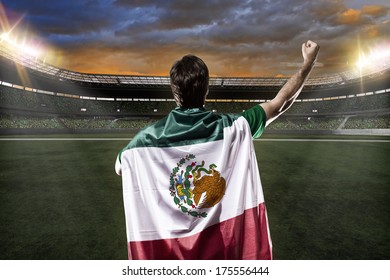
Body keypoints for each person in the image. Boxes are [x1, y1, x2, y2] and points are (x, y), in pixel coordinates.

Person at [115, 40, 320, 260]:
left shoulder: (142, 143)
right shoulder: (234, 127)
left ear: (174, 92)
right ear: (207, 89)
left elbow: (120, 167)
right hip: (222, 254)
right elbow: (280, 103)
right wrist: (308, 63)